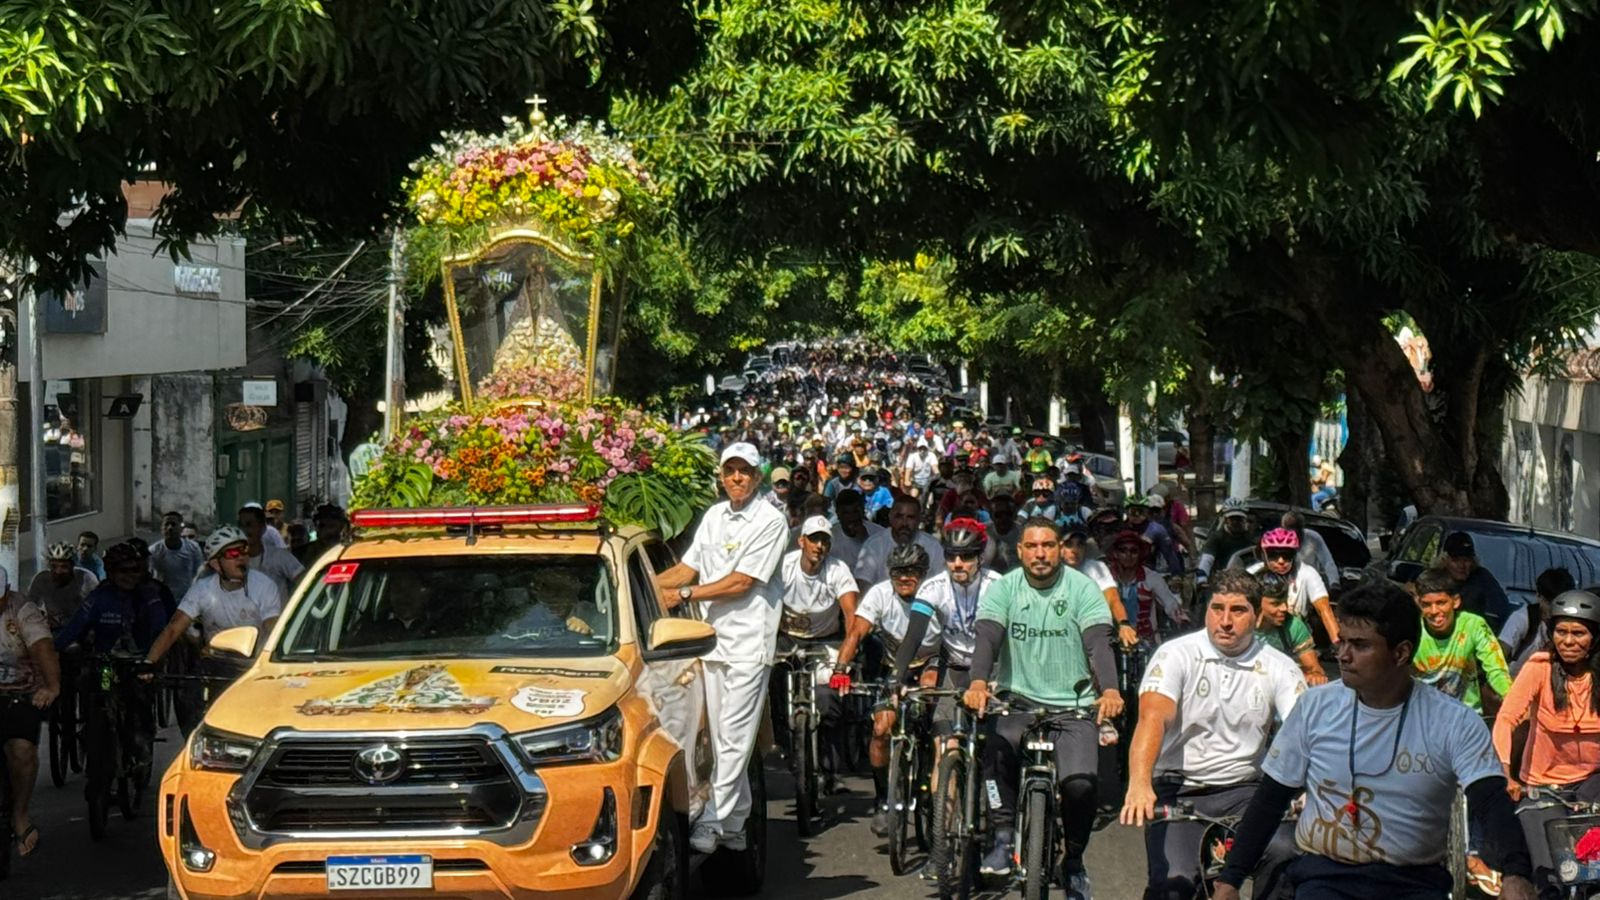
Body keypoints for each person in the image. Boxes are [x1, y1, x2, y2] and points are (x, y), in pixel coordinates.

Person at [1214, 580, 1535, 900]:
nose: (1343, 655)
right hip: (1323, 880)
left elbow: (1490, 801)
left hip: (1415, 884)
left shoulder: (1455, 721)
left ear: (1400, 653)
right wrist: (1230, 880)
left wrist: (1516, 874)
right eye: (1341, 642)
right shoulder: (1314, 707)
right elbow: (1271, 798)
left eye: (1360, 645)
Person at [1121, 568, 1306, 900]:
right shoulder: (1175, 654)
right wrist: (1139, 783)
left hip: (1248, 791)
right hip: (1180, 790)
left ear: (1257, 614)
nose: (1225, 621)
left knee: (1287, 856)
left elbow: (1303, 732)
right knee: (1172, 884)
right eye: (1217, 608)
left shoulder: (1280, 666)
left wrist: (1309, 788)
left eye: (1238, 611)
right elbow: (1152, 718)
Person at [962, 517, 1125, 888]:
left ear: (1059, 549)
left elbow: (1098, 643)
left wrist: (1111, 690)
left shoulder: (1082, 588)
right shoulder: (1004, 588)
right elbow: (987, 638)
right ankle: (1003, 835)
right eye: (1032, 546)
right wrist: (977, 682)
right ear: (1019, 551)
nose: (1040, 554)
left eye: (1048, 545)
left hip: (1074, 705)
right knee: (994, 757)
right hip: (1016, 701)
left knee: (1081, 786)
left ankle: (1075, 860)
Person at [655, 442, 789, 855]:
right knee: (722, 739)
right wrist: (638, 589)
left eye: (744, 471)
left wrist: (684, 593)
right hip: (711, 641)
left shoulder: (771, 520)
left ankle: (712, 822)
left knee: (733, 738)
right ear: (721, 475)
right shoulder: (713, 517)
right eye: (730, 470)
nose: (737, 478)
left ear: (757, 476)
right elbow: (687, 568)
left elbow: (741, 583)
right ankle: (735, 826)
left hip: (750, 644)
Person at [830, 541, 946, 835]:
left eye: (912, 572)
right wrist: (841, 669)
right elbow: (856, 632)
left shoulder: (937, 594)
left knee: (931, 692)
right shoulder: (880, 594)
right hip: (894, 666)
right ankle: (883, 797)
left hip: (932, 661)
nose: (905, 578)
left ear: (923, 573)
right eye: (898, 572)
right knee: (881, 730)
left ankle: (930, 776)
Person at [1492, 589, 1600, 895]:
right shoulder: (1539, 666)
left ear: (1595, 637)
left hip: (1593, 782)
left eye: (1578, 633)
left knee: (1594, 869)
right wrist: (1505, 772)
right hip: (1543, 786)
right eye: (1561, 632)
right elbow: (1506, 719)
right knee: (1551, 873)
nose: (1568, 641)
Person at [771, 516, 859, 786]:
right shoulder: (783, 567)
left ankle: (831, 770)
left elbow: (851, 615)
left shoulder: (837, 570)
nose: (819, 546)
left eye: (824, 541)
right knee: (772, 685)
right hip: (787, 639)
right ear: (802, 541)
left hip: (826, 641)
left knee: (828, 698)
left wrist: (845, 659)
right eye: (814, 539)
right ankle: (786, 747)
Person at [142, 526, 285, 670]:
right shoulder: (202, 589)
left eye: (244, 550)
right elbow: (174, 628)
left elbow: (272, 625)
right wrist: (149, 663)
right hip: (214, 666)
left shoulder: (265, 585)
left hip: (254, 667)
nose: (241, 557)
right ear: (216, 563)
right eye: (233, 553)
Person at [0, 565, 59, 858]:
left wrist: (51, 686)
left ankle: (20, 814)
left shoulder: (23, 610)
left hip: (21, 692)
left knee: (22, 751)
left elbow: (43, 648)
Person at [1411, 568, 1512, 713]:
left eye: (1441, 603)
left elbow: (1496, 670)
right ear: (1418, 603)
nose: (1434, 611)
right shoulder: (1412, 630)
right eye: (1427, 604)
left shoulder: (1473, 625)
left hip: (1467, 717)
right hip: (1425, 717)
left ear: (1456, 601)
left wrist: (1512, 700)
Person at [1250, 527, 1339, 646]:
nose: (1281, 561)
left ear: (1295, 554)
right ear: (1264, 554)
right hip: (1259, 637)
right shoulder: (1252, 574)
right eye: (1273, 555)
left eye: (1287, 555)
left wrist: (1339, 645)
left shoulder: (1307, 573)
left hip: (1295, 638)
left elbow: (1324, 609)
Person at [1106, 529, 1189, 643]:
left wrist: (1182, 620)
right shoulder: (1106, 578)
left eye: (1133, 551)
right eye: (1123, 551)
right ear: (1115, 553)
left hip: (1146, 642)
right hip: (1113, 642)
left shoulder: (1151, 577)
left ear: (1140, 554)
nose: (1128, 555)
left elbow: (1170, 603)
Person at [1064, 529, 1142, 648]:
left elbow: (1112, 597)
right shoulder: (1049, 570)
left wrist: (1124, 624)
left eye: (1080, 544)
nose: (1075, 550)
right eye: (1069, 545)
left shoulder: (1096, 567)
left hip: (1092, 629)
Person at [854, 495, 946, 588]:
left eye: (910, 517)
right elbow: (863, 584)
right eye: (899, 517)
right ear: (890, 517)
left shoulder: (933, 546)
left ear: (919, 519)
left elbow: (943, 583)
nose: (904, 523)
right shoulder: (874, 545)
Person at [1256, 572, 1329, 686]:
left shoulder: (1293, 626)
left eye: (1285, 601)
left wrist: (1316, 677)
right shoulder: (1240, 626)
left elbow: (1315, 670)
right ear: (1257, 604)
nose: (1284, 608)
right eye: (1276, 604)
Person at [1499, 567, 1574, 677]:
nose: (1552, 609)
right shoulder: (1523, 619)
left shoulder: (1573, 627)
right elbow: (1498, 657)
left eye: (1558, 604)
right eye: (1548, 602)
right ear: (1538, 597)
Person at [1442, 532, 1515, 635]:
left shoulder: (1483, 578)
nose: (1462, 566)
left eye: (1466, 560)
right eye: (1456, 560)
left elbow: (1500, 611)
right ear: (1445, 560)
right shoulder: (1435, 578)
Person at [239, 503, 306, 603]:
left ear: (263, 528)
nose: (244, 530)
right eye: (241, 525)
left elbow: (304, 581)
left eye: (249, 525)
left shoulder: (279, 557)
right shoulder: (234, 560)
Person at [27, 541, 100, 628]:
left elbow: (100, 606)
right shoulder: (41, 579)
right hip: (54, 628)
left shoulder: (86, 578)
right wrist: (43, 617)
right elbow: (29, 606)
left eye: (64, 567)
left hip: (82, 628)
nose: (58, 571)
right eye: (54, 566)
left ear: (72, 566)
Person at [1197, 498, 1256, 586]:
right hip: (1222, 581)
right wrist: (1202, 580)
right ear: (1225, 519)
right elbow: (1206, 560)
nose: (1236, 522)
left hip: (1247, 581)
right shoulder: (1216, 538)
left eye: (1239, 519)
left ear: (1245, 519)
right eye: (1232, 519)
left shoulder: (1251, 538)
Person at [149, 511, 204, 601]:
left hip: (187, 599)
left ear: (181, 528)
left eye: (174, 524)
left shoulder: (193, 548)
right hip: (164, 599)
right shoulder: (154, 551)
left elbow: (200, 574)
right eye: (166, 524)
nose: (170, 528)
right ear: (161, 528)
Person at [1282, 511, 1341, 591]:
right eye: (1289, 529)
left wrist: (1334, 582)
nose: (1293, 533)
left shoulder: (1313, 538)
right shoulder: (1279, 540)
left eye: (1296, 529)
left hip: (1312, 585)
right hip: (1287, 586)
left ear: (1301, 528)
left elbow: (1327, 561)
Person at [1129, 496, 1185, 575]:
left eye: (1140, 511)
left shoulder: (1157, 529)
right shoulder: (1121, 529)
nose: (1137, 515)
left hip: (1148, 573)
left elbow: (1170, 555)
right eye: (1133, 512)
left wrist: (1176, 575)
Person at [830, 489, 883, 570]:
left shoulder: (880, 534)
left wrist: (866, 540)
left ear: (863, 510)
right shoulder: (830, 538)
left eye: (856, 511)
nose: (852, 517)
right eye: (846, 513)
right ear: (838, 514)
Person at [296, 503, 349, 567]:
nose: (327, 530)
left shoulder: (351, 551)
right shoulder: (302, 553)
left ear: (341, 527)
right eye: (322, 525)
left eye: (331, 526)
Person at [987, 492, 1022, 574]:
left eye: (1008, 514)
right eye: (998, 515)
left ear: (1014, 515)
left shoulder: (1024, 534)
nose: (1003, 519)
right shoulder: (983, 533)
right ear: (991, 516)